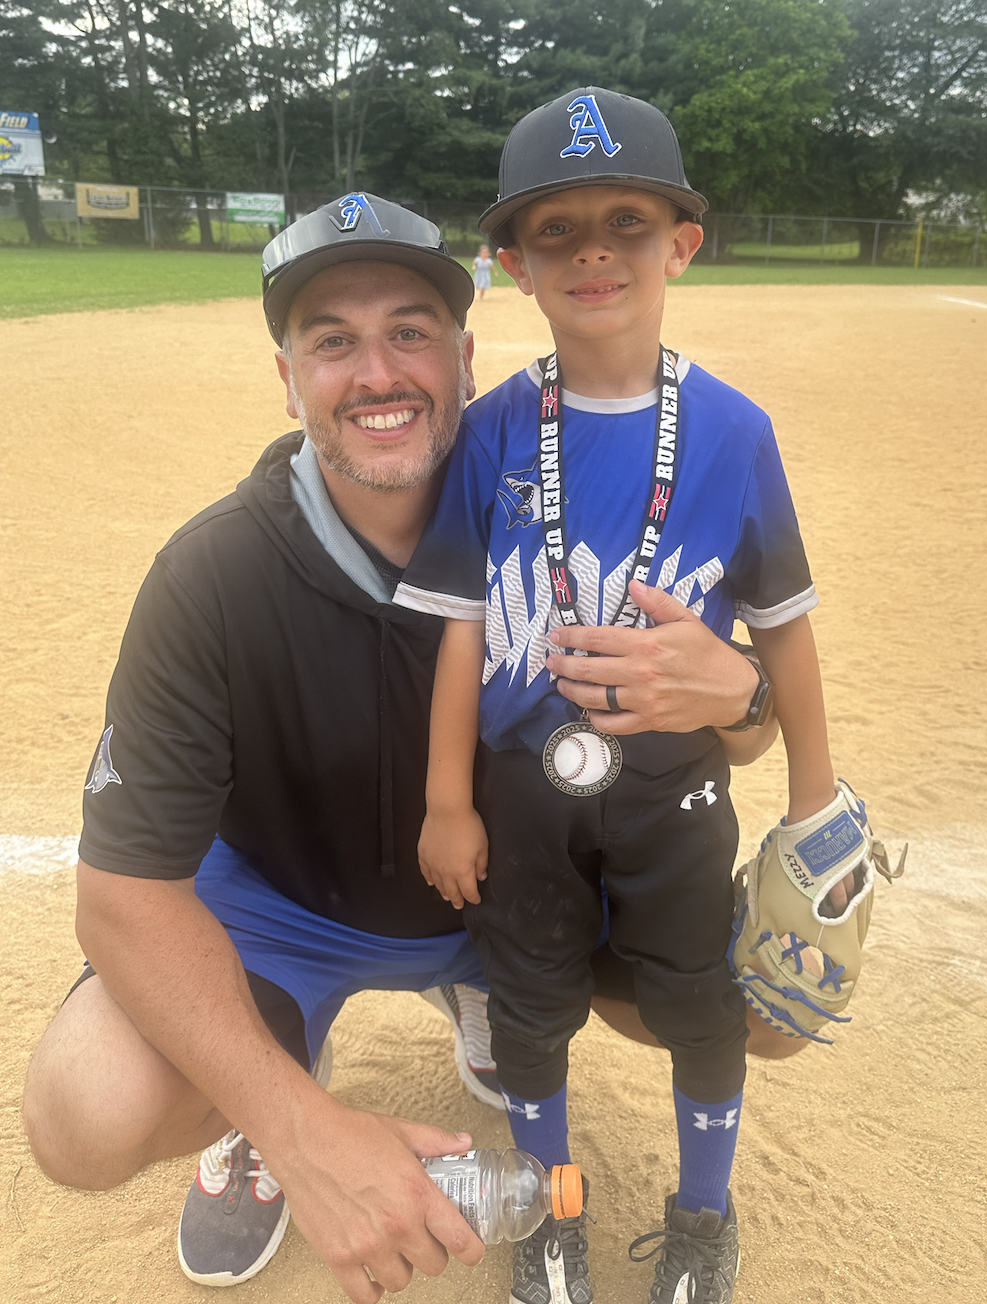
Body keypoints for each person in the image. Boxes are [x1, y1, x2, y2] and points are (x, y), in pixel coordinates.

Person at [21, 190, 781, 1302]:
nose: (377, 372)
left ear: (467, 358)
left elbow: (732, 728)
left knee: (763, 1008)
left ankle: (479, 990)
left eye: (409, 331)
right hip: (290, 904)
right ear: (288, 376)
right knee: (84, 1110)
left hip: (512, 885)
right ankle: (266, 1079)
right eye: (332, 340)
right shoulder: (213, 576)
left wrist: (746, 694)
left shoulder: (562, 509)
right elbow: (121, 895)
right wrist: (300, 1127)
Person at [394, 88, 847, 1304]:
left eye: (629, 221)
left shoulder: (733, 431)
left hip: (679, 784)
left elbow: (786, 627)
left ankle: (704, 1211)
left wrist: (815, 800)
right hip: (520, 790)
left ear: (681, 245)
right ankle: (552, 1211)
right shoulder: (491, 432)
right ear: (514, 263)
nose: (595, 248)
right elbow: (458, 628)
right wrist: (448, 797)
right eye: (558, 230)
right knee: (531, 1011)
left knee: (703, 1005)